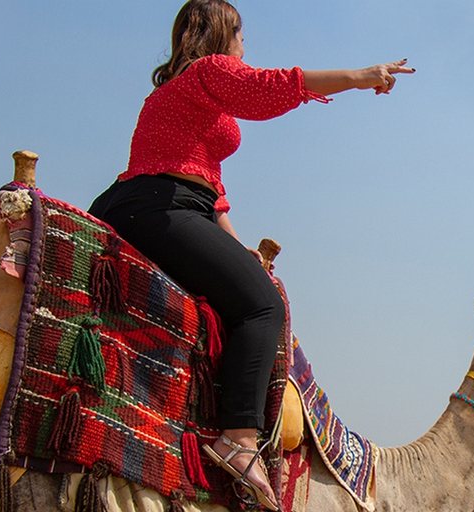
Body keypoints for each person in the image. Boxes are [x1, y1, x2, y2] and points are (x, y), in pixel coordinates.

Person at [88, 0, 414, 509]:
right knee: (265, 307)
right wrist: (359, 75)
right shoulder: (208, 71)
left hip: (164, 204)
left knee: (255, 289)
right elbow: (271, 88)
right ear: (220, 34)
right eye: (240, 33)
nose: (245, 43)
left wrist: (241, 251)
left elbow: (211, 193)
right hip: (159, 205)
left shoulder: (183, 93)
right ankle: (239, 441)